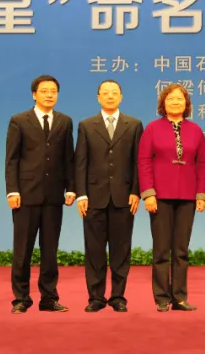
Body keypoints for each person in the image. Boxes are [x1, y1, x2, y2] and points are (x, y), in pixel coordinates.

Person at [4, 75, 76, 314]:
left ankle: (49, 298)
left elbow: (68, 158)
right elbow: (12, 159)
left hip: (54, 196)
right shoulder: (19, 121)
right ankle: (21, 299)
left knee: (50, 251)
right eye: (44, 91)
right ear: (34, 94)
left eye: (53, 91)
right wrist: (12, 190)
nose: (49, 95)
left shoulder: (65, 121)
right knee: (22, 250)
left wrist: (71, 188)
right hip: (25, 195)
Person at [73, 79, 143, 313]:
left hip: (124, 197)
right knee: (94, 249)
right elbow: (80, 162)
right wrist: (81, 194)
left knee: (121, 250)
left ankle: (118, 296)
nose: (110, 96)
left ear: (121, 97)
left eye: (114, 93)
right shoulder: (86, 125)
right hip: (94, 197)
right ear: (98, 97)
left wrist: (136, 191)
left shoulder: (133, 125)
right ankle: (96, 297)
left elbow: (138, 161)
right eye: (105, 93)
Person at [138, 83, 205, 312]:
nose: (175, 102)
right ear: (163, 103)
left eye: (180, 98)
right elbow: (144, 161)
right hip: (159, 196)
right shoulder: (152, 128)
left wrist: (201, 194)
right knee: (161, 250)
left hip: (187, 196)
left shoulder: (195, 130)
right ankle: (161, 297)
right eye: (170, 99)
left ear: (186, 103)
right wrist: (148, 193)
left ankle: (179, 297)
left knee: (181, 250)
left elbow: (203, 163)